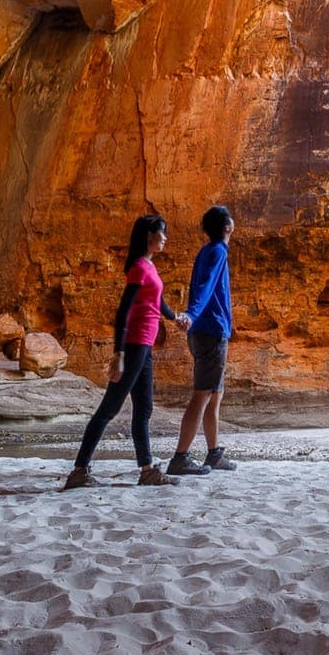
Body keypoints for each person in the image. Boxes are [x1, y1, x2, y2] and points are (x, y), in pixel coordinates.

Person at [64, 213, 190, 489]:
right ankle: (79, 471)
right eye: (161, 233)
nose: (165, 238)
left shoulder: (149, 267)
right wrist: (118, 354)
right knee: (109, 408)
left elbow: (158, 302)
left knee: (144, 408)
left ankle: (147, 470)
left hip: (145, 346)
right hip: (134, 345)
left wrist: (175, 317)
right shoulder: (138, 269)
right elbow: (123, 313)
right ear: (149, 236)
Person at [167, 205, 238, 476]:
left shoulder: (207, 250)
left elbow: (201, 286)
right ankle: (180, 457)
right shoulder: (218, 251)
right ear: (227, 227)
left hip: (205, 330)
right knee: (202, 396)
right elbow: (205, 286)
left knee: (215, 394)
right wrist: (193, 314)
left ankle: (214, 453)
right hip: (210, 331)